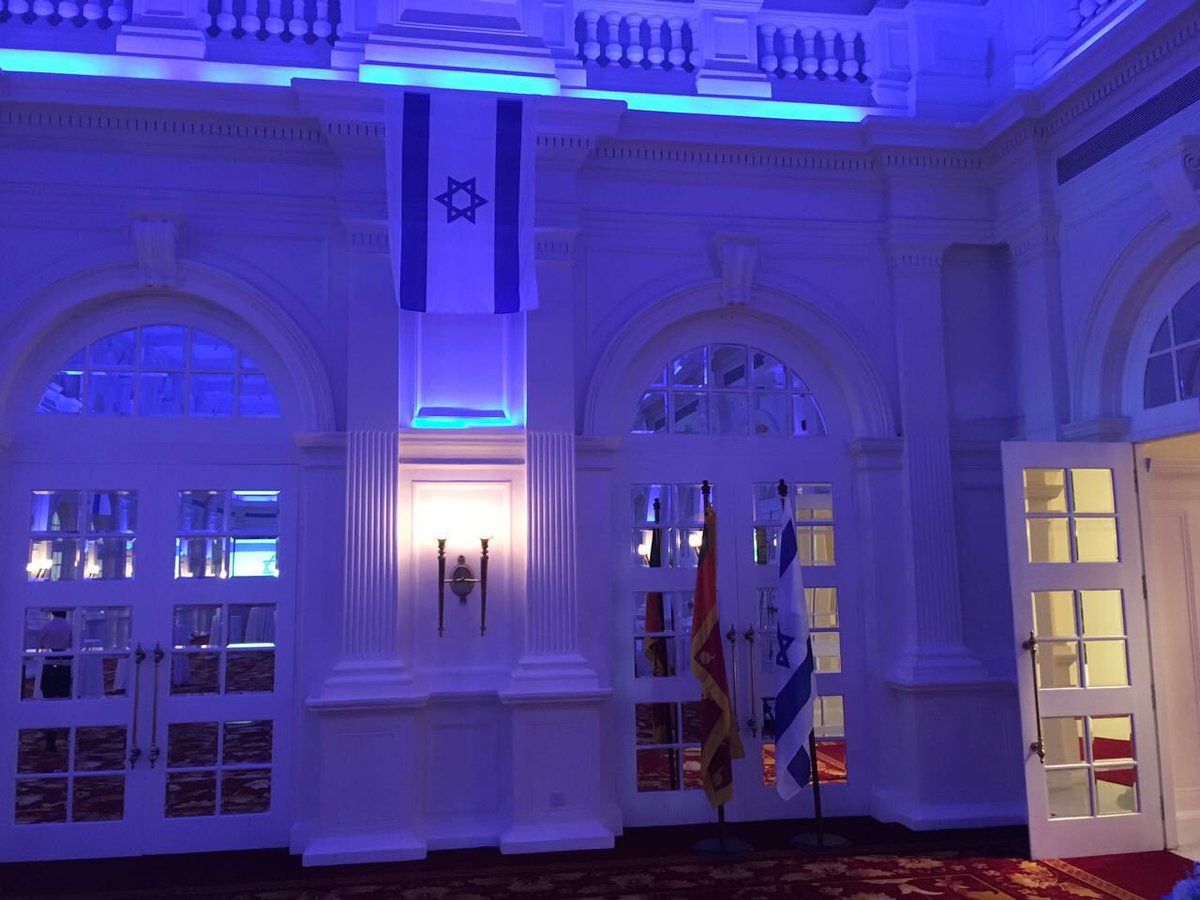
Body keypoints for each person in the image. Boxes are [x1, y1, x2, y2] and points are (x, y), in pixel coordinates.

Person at [39, 610, 72, 751]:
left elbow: (40, 645)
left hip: (49, 666)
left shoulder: (46, 627)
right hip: (64, 667)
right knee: (65, 699)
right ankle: (67, 734)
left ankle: (50, 740)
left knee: (49, 701)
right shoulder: (70, 627)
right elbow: (73, 647)